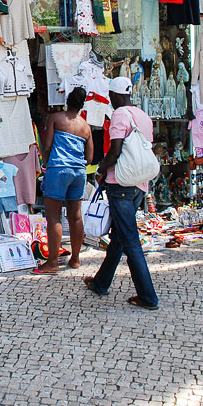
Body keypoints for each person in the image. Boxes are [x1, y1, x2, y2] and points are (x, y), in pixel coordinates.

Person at [85, 76, 159, 310]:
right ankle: (100, 282)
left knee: (130, 241)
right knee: (118, 237)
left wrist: (101, 171)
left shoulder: (119, 114)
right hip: (139, 185)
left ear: (115, 95)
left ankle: (148, 296)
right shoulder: (143, 116)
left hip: (122, 184)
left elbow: (115, 150)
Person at [34, 87, 93, 274]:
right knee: (75, 216)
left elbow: (48, 145)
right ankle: (75, 259)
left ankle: (52, 262)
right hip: (79, 173)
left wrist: (45, 162)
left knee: (53, 216)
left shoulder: (55, 118)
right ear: (82, 105)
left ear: (67, 100)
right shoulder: (86, 127)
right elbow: (90, 158)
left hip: (58, 170)